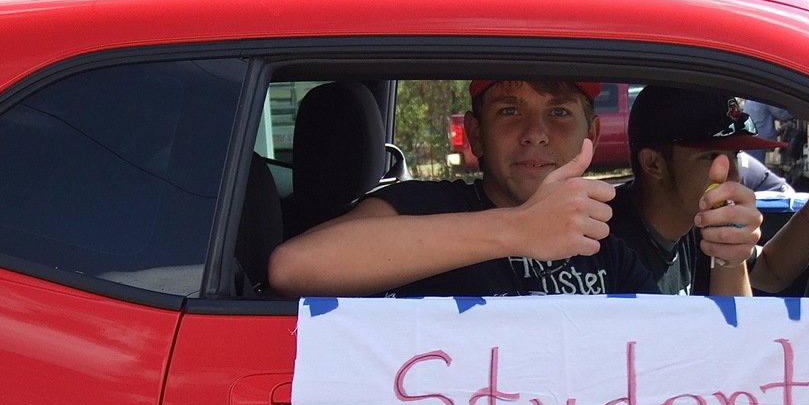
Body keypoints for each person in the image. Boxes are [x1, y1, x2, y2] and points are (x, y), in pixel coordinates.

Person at [268, 79, 657, 297]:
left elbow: (679, 361)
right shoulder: (421, 206)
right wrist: (517, 229)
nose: (536, 134)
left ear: (590, 135)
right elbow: (293, 267)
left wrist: (721, 260)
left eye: (559, 113)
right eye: (509, 111)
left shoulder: (605, 248)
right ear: (476, 134)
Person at [608, 86, 809, 297]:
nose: (733, 174)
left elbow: (771, 271)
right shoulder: (608, 244)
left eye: (734, 155)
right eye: (711, 156)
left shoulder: (694, 219)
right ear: (653, 164)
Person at [741, 99, 792, 164]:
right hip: (759, 139)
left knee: (750, 164)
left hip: (750, 137)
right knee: (757, 166)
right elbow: (781, 114)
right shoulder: (765, 98)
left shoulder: (751, 99)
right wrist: (796, 111)